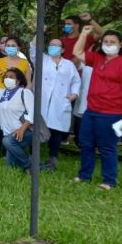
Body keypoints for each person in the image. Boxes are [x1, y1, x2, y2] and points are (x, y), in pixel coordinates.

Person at [73, 26, 122, 189]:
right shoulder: (98, 58)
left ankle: (109, 180)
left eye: (113, 42)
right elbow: (77, 52)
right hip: (91, 110)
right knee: (86, 143)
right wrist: (83, 34)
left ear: (120, 44)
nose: (108, 44)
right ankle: (84, 175)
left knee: (107, 147)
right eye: (106, 41)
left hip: (112, 112)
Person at [35, 38, 81, 171]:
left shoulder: (68, 64)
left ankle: (52, 158)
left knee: (56, 131)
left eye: (56, 45)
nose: (53, 47)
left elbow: (76, 81)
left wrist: (74, 94)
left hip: (60, 102)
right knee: (37, 129)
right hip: (42, 101)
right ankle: (34, 157)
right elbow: (33, 49)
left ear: (63, 50)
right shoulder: (42, 59)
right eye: (51, 45)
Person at [0, 68, 35, 171]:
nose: (8, 79)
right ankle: (34, 166)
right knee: (10, 167)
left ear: (18, 81)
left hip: (25, 131)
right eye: (6, 77)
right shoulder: (2, 93)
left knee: (7, 141)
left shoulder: (25, 92)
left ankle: (29, 166)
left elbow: (32, 113)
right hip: (9, 133)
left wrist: (22, 130)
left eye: (11, 77)